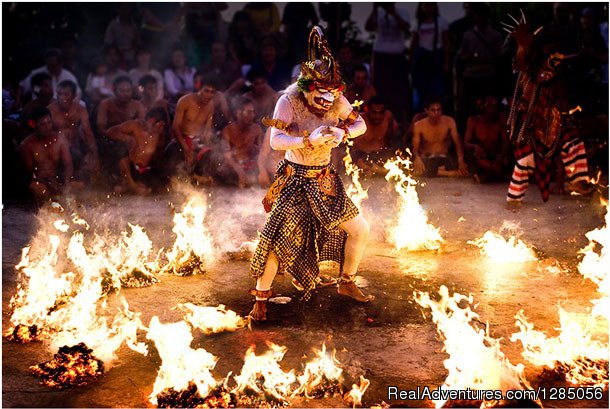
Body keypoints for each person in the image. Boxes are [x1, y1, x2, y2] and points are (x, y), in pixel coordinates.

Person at [249, 27, 373, 322]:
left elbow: (361, 125)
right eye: (321, 95)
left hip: (325, 179)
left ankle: (347, 281)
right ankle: (261, 298)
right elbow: (275, 140)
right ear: (307, 87)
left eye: (332, 95)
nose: (327, 101)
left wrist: (342, 132)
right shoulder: (288, 101)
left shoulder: (337, 99)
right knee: (278, 241)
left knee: (360, 229)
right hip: (295, 179)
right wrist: (307, 140)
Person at [505, 17, 593, 204]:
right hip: (530, 121)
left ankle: (579, 180)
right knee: (526, 160)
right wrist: (522, 46)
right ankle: (514, 198)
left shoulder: (558, 66)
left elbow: (560, 88)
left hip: (552, 118)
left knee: (573, 141)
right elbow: (522, 63)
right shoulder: (530, 64)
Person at [170, 77, 223, 182]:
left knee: (214, 156)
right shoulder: (185, 101)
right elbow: (175, 127)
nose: (209, 95)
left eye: (212, 92)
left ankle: (199, 178)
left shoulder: (211, 105)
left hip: (197, 142)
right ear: (199, 88)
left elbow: (207, 131)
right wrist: (186, 147)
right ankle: (188, 179)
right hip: (181, 140)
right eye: (206, 90)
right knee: (175, 158)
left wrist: (210, 147)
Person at [365, 2, 411, 123]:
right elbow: (368, 27)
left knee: (400, 91)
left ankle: (400, 121)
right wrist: (374, 9)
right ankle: (380, 117)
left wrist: (393, 12)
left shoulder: (402, 12)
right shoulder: (379, 13)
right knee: (381, 89)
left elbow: (406, 27)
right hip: (381, 56)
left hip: (397, 56)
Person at [106, 107, 168, 195]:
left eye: (163, 126)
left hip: (142, 171)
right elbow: (110, 132)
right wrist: (129, 139)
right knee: (120, 148)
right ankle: (131, 185)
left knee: (149, 188)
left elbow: (159, 157)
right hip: (127, 168)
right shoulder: (135, 125)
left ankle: (128, 185)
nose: (161, 128)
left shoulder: (159, 135)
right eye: (160, 125)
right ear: (151, 120)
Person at [48, 80, 100, 184]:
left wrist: (94, 154)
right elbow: (45, 134)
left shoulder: (80, 109)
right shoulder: (50, 110)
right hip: (55, 148)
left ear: (74, 95)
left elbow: (87, 132)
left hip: (76, 145)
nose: (61, 97)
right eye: (59, 94)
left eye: (66, 94)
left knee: (90, 158)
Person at [19, 107, 74, 204]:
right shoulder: (27, 144)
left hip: (58, 179)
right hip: (41, 182)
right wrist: (48, 184)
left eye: (49, 123)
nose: (47, 127)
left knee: (79, 186)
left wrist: (66, 182)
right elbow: (30, 173)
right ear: (34, 125)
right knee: (37, 189)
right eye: (43, 124)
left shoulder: (59, 139)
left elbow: (68, 164)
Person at [412, 96, 468, 177]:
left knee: (465, 164)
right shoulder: (419, 125)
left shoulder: (449, 121)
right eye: (433, 110)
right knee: (419, 167)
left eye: (439, 110)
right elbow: (415, 147)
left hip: (445, 158)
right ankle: (446, 172)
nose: (436, 113)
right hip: (428, 159)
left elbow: (457, 142)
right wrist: (417, 158)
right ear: (426, 111)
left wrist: (461, 159)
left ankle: (439, 171)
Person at [410, 3, 450, 113]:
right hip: (421, 58)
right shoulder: (417, 22)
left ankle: (438, 113)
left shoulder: (441, 21)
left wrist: (446, 62)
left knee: (437, 90)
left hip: (436, 56)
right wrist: (411, 59)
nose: (428, 8)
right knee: (421, 91)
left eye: (430, 5)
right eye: (425, 5)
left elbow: (446, 43)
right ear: (421, 7)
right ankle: (421, 114)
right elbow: (414, 42)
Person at [464, 96, 510, 183]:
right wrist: (476, 146)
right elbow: (466, 143)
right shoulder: (473, 121)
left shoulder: (501, 120)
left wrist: (501, 157)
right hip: (480, 156)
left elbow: (506, 141)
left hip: (496, 157)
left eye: (495, 106)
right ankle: (495, 174)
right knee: (489, 165)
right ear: (483, 107)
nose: (492, 109)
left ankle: (487, 176)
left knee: (499, 165)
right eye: (490, 106)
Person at [220, 97, 263, 187]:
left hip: (250, 166)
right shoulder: (228, 130)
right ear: (238, 113)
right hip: (233, 167)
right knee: (222, 169)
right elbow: (226, 155)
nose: (252, 115)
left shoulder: (257, 129)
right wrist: (239, 171)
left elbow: (261, 152)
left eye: (253, 112)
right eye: (249, 112)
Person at [351, 96, 400, 175]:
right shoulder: (359, 121)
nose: (377, 116)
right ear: (368, 110)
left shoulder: (388, 117)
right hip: (360, 157)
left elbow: (394, 140)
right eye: (374, 112)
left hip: (381, 157)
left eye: (381, 112)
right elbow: (350, 145)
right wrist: (358, 160)